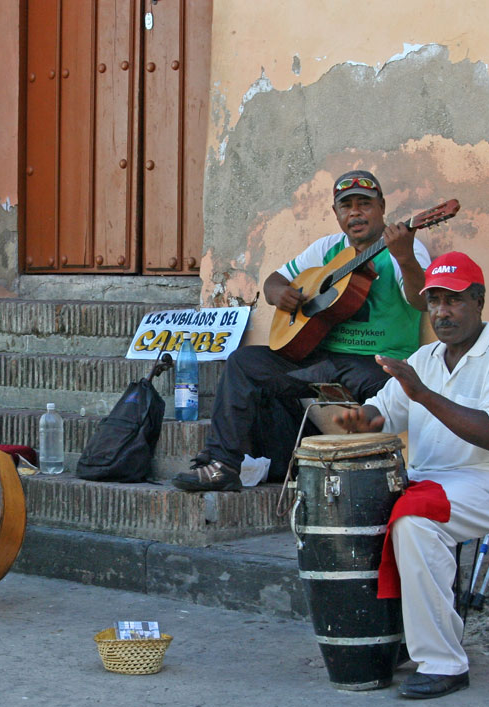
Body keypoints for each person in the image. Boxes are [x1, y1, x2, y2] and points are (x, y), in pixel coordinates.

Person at [333, 251, 489, 699]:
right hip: (432, 483)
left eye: (454, 301)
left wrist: (422, 394)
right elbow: (383, 415)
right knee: (368, 511)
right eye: (435, 301)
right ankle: (396, 638)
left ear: (479, 301)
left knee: (415, 520)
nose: (442, 312)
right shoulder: (424, 357)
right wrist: (356, 417)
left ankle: (444, 662)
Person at [173, 170, 431, 492]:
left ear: (381, 207)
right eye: (346, 206)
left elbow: (421, 302)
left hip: (377, 364)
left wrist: (405, 258)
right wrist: (279, 293)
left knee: (394, 388)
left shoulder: (406, 249)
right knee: (244, 362)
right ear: (336, 213)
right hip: (322, 359)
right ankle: (222, 464)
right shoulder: (327, 248)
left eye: (364, 204)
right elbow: (273, 282)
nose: (355, 212)